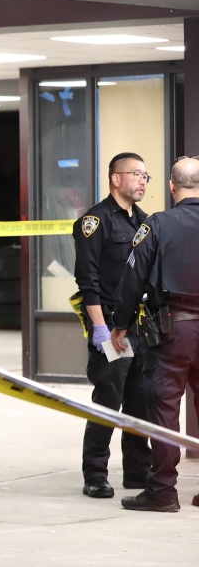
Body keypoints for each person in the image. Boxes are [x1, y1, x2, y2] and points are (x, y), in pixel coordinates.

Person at [111, 156, 199, 513]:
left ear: (172, 186)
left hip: (173, 329)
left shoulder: (156, 225)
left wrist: (119, 324)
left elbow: (132, 278)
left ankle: (163, 492)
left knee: (164, 410)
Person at [72, 152, 152, 499]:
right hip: (110, 326)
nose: (142, 181)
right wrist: (99, 328)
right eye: (136, 174)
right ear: (115, 179)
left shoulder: (145, 222)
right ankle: (95, 474)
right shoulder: (95, 221)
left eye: (146, 176)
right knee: (108, 399)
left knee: (140, 401)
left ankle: (137, 473)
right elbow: (87, 278)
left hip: (140, 326)